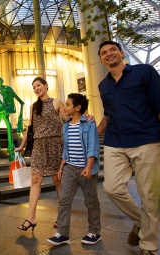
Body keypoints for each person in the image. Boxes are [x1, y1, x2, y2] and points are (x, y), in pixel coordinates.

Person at [97, 41, 160, 255]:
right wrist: (92, 134)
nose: (109, 54)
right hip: (116, 140)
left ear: (121, 53)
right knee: (111, 187)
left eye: (113, 50)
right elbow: (108, 115)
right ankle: (141, 220)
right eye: (104, 52)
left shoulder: (144, 72)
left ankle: (148, 246)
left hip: (147, 138)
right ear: (101, 60)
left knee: (149, 195)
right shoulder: (103, 85)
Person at [47, 93, 101, 245]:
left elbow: (93, 146)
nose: (64, 107)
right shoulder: (66, 125)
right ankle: (62, 233)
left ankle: (94, 232)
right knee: (64, 200)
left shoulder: (89, 124)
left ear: (77, 108)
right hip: (69, 167)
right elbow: (66, 148)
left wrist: (89, 167)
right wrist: (61, 166)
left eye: (68, 104)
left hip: (86, 168)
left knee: (91, 201)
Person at [15, 76, 67, 231]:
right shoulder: (33, 107)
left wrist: (85, 118)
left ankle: (63, 216)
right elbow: (29, 130)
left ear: (46, 85)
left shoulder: (56, 102)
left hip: (55, 145)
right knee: (35, 179)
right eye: (34, 87)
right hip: (39, 145)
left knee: (58, 180)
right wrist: (21, 147)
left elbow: (69, 120)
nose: (36, 88)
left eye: (38, 85)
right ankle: (31, 218)